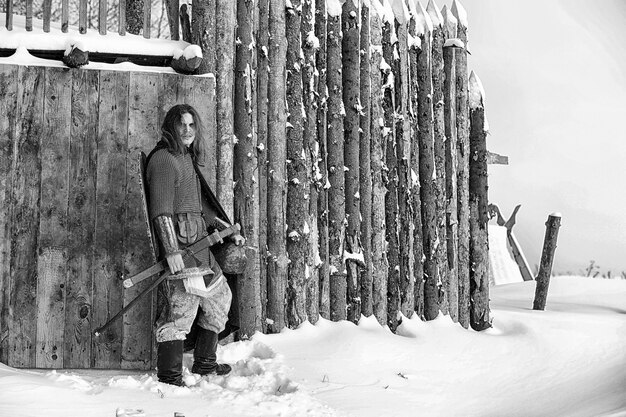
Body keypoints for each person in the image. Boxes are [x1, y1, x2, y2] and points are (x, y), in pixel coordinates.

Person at [146, 104, 245, 386]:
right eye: (182, 125)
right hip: (182, 250)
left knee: (220, 299)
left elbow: (200, 207)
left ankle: (205, 364)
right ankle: (170, 377)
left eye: (192, 125)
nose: (187, 130)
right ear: (170, 127)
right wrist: (171, 250)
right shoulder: (164, 160)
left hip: (199, 247)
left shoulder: (185, 157)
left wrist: (226, 230)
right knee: (180, 312)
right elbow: (161, 211)